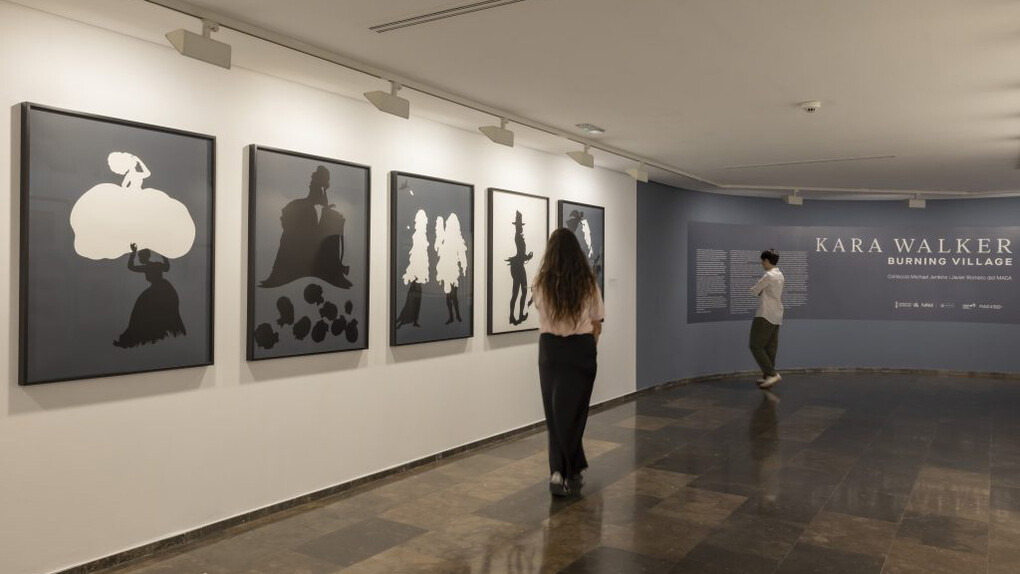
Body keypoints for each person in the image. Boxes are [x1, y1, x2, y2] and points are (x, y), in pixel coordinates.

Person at [532, 228, 605, 496]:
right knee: (575, 413)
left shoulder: (540, 283)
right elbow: (597, 321)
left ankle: (561, 471)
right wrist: (589, 347)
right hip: (581, 350)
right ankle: (567, 470)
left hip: (550, 351)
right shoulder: (587, 282)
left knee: (555, 415)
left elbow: (541, 313)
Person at [749, 249, 784, 389]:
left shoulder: (768, 276)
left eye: (763, 261)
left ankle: (772, 374)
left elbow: (754, 291)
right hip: (777, 314)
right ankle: (768, 376)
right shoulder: (780, 275)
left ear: (767, 261)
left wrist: (756, 290)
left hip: (765, 314)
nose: (762, 263)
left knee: (755, 345)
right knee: (770, 345)